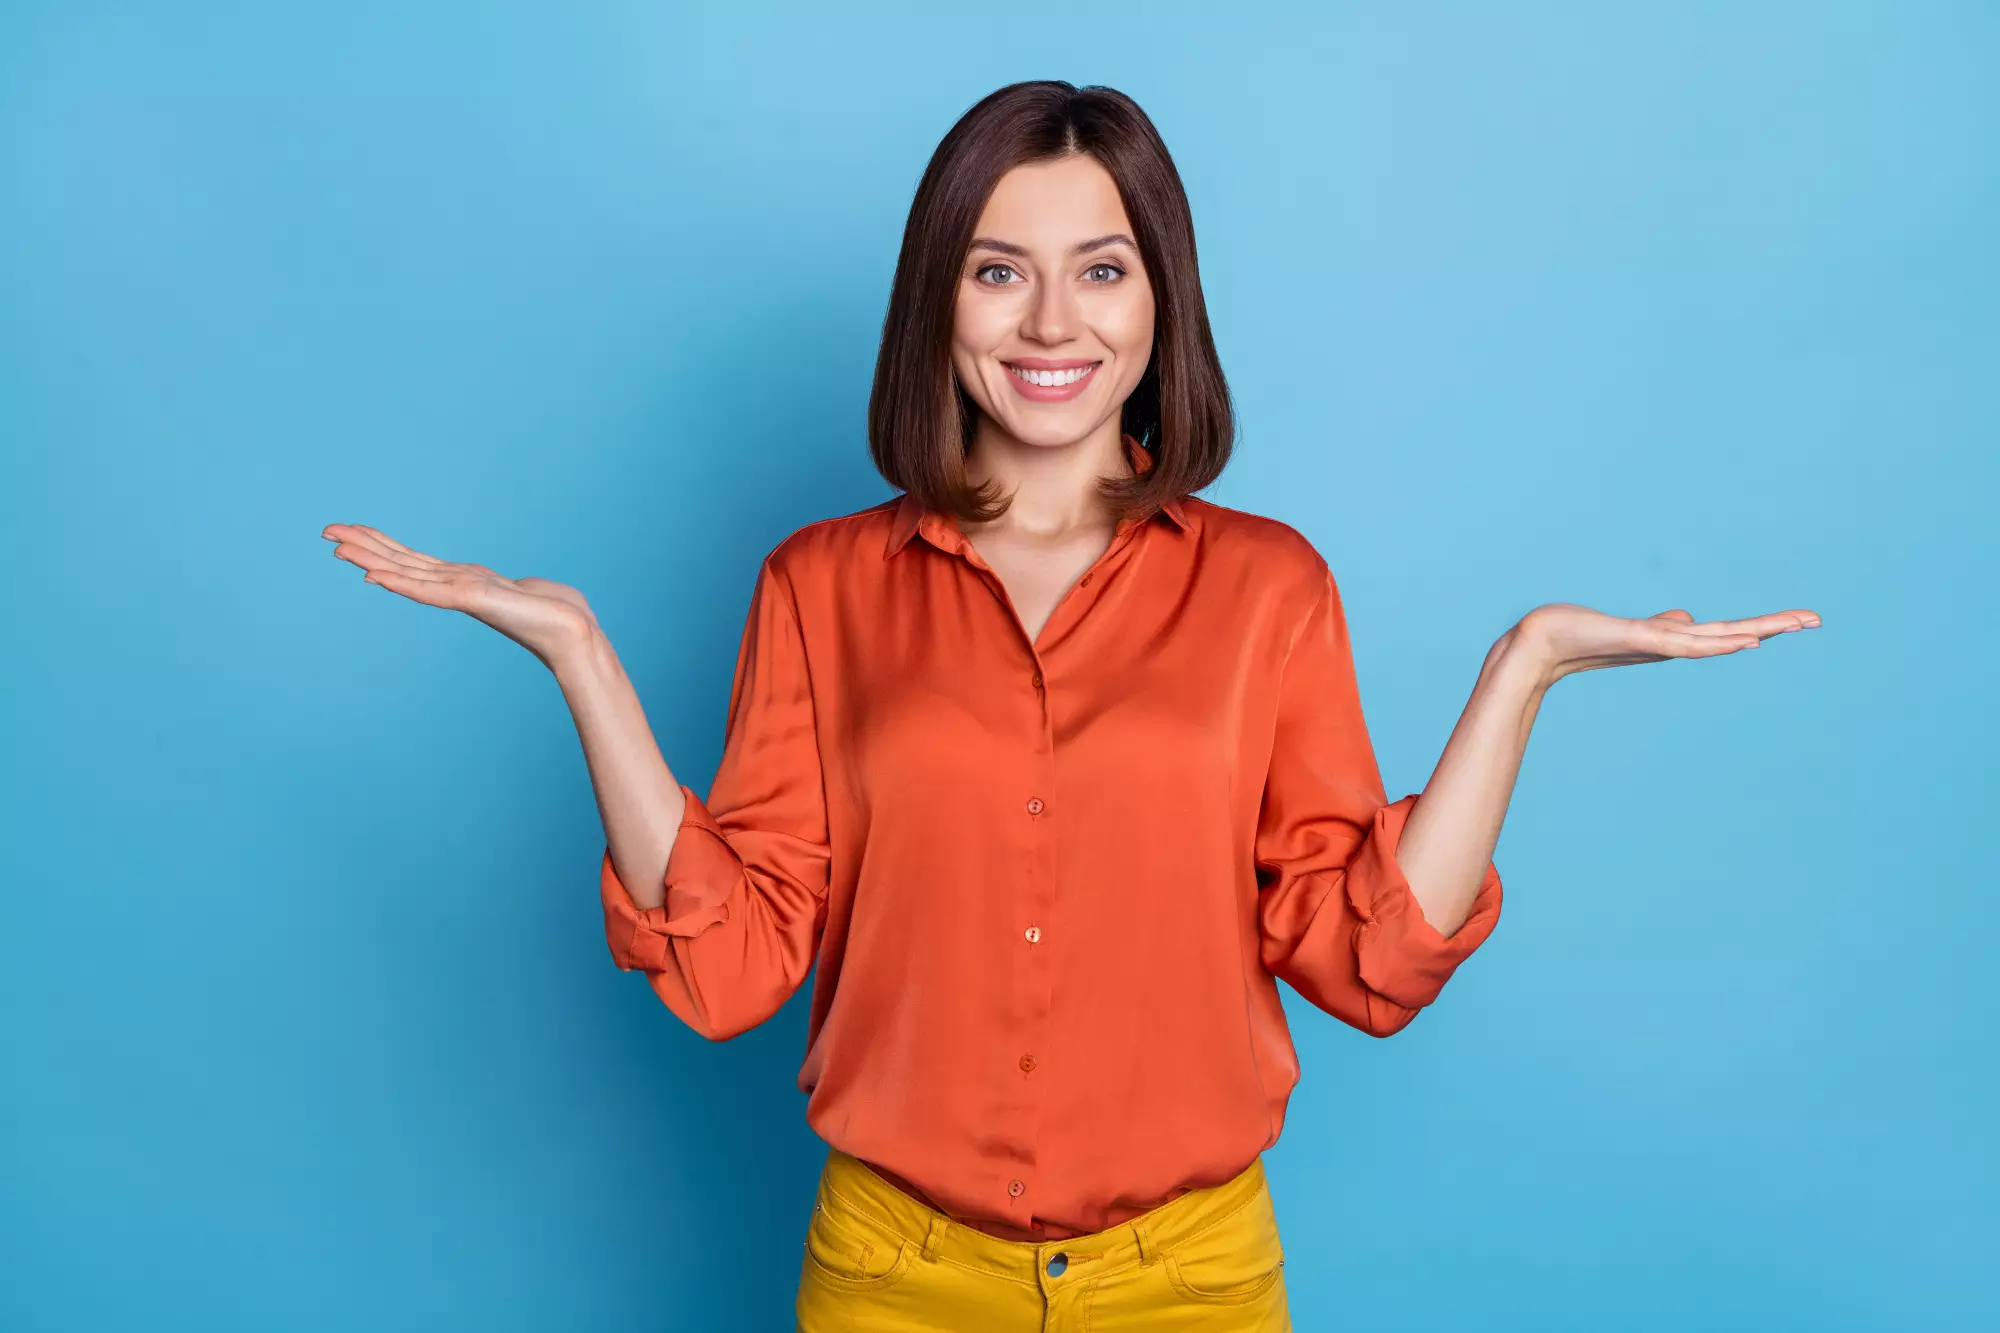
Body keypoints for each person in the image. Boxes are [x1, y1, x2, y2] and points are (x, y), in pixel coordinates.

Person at [322, 80, 1820, 1332]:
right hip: (891, 1279)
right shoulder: (820, 585)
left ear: (1162, 296)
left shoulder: (1268, 590)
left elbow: (1362, 954)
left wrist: (1526, 671)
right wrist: (583, 657)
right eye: (998, 268)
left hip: (1193, 1282)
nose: (1052, 322)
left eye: (1101, 268)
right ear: (941, 299)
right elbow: (738, 961)